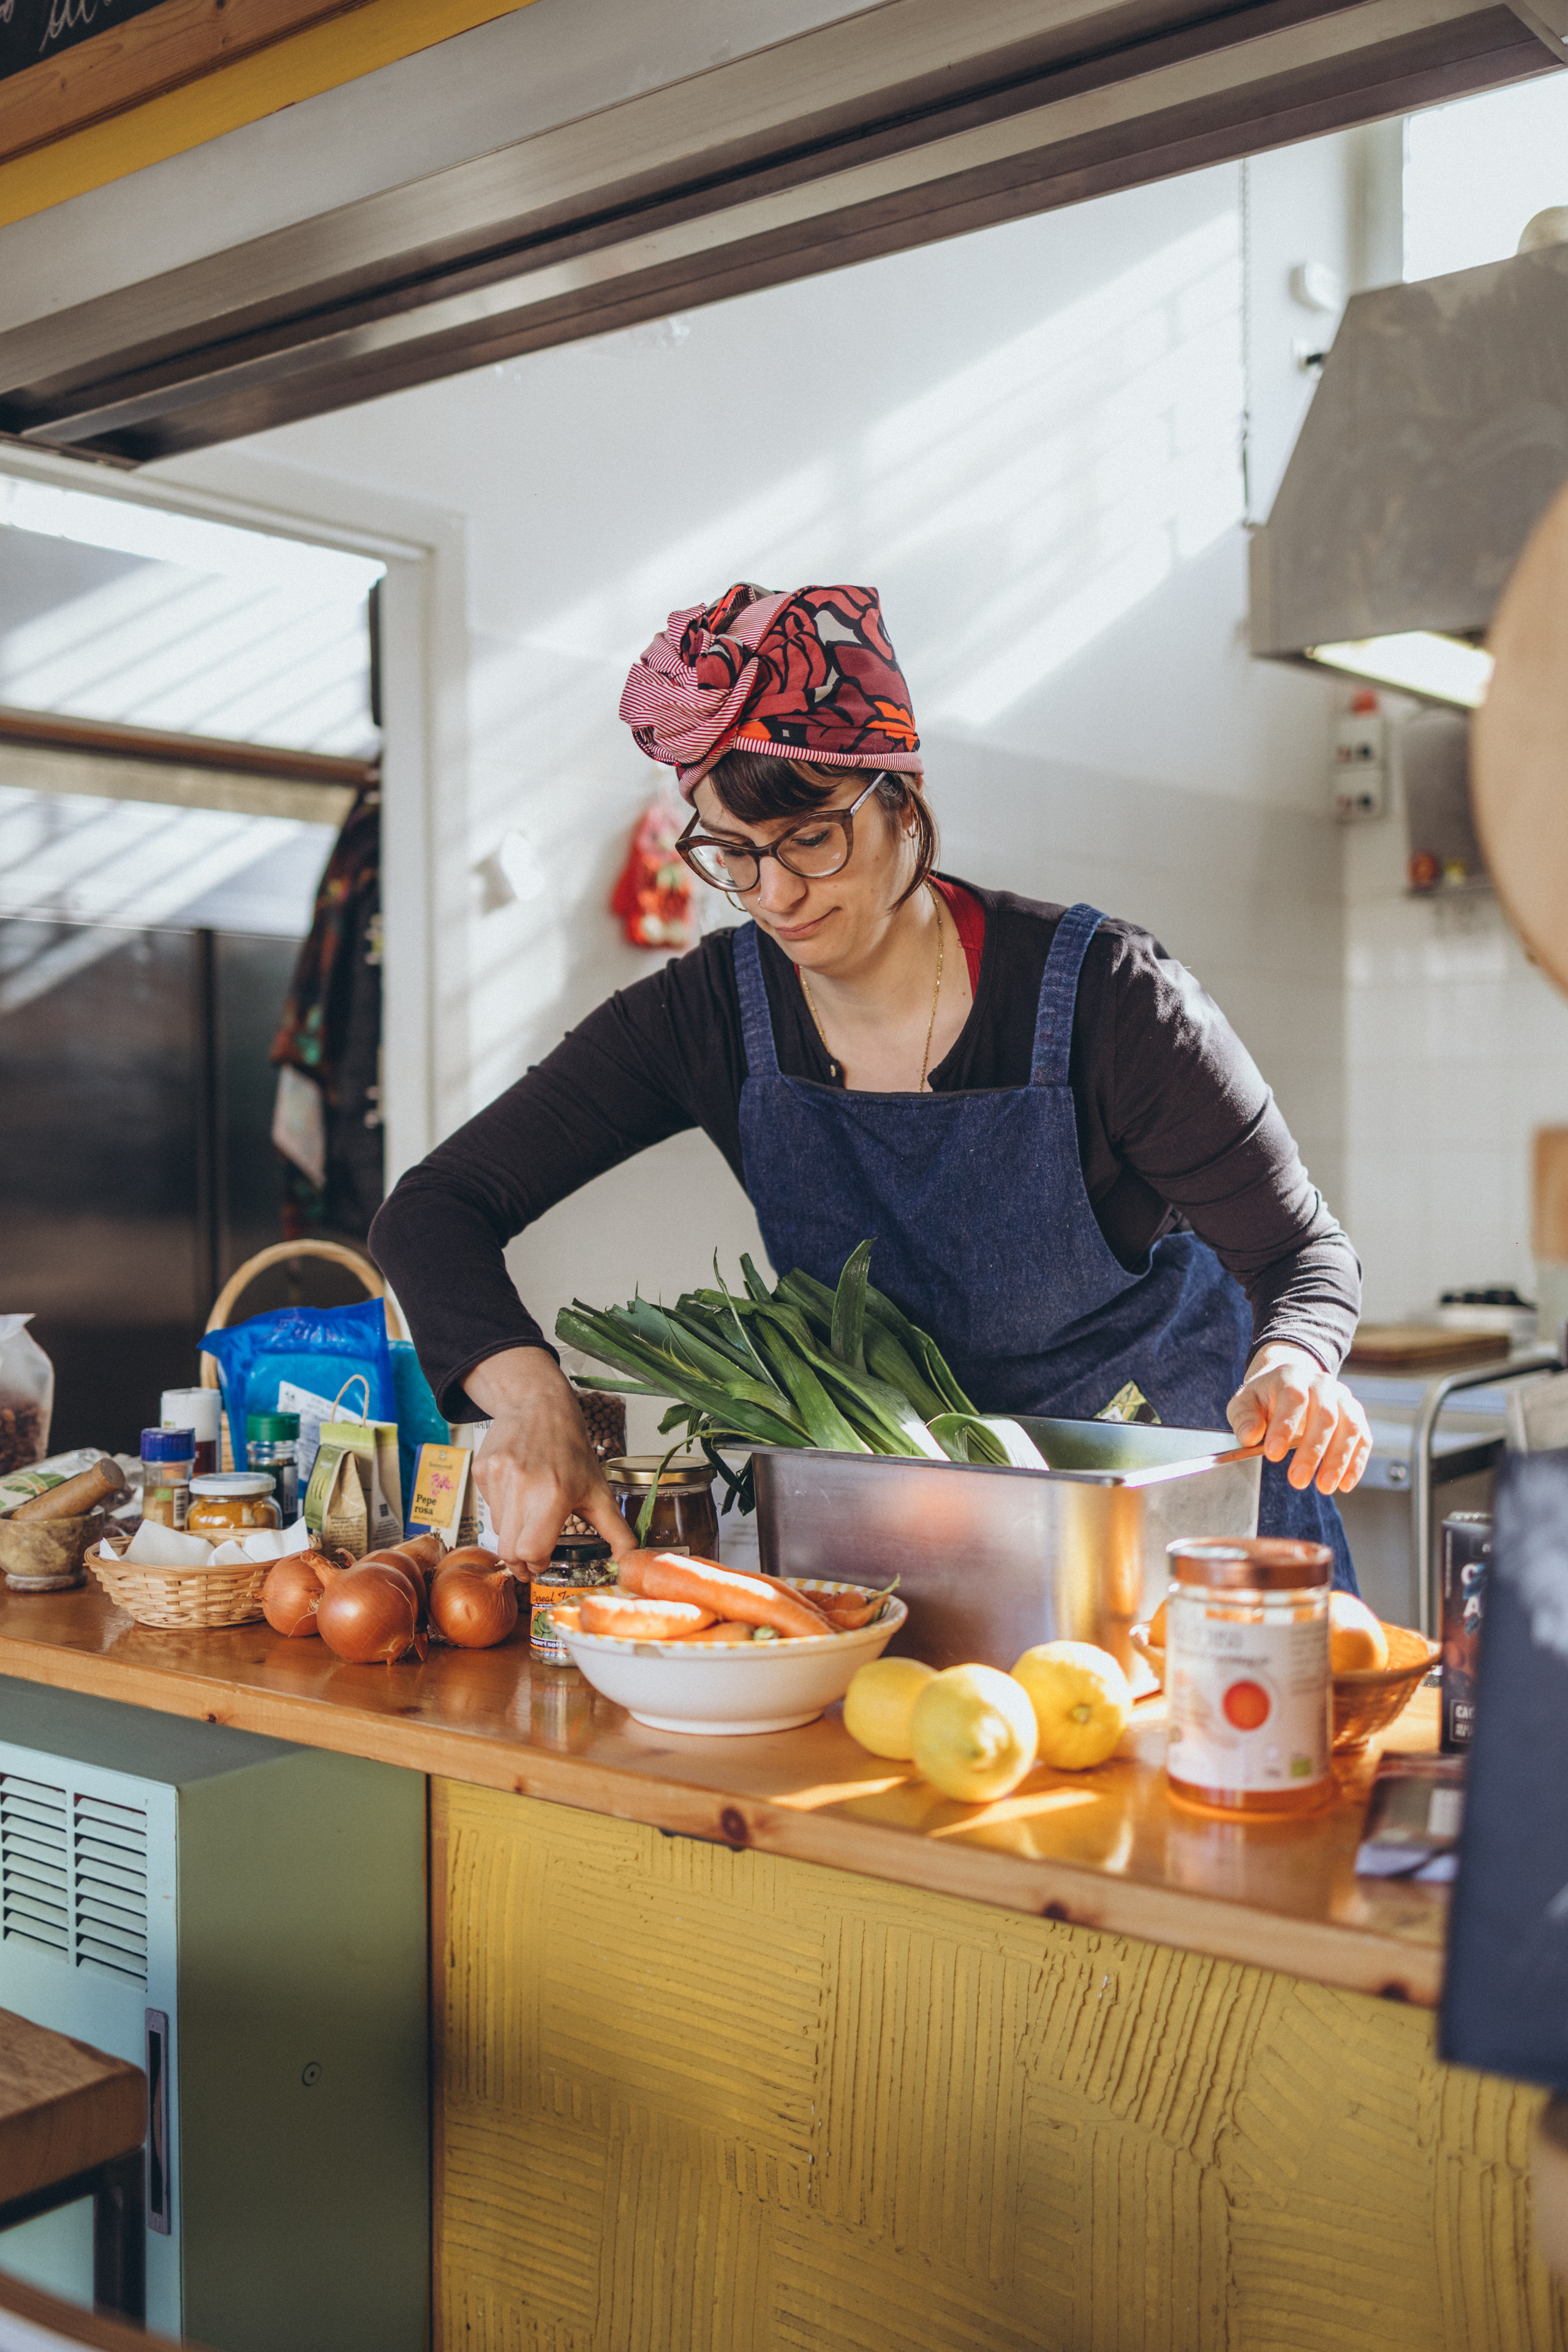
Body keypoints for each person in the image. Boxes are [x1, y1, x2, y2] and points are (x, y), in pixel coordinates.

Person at [371, 581, 1370, 1578]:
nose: (775, 895)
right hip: (931, 1546)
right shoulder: (709, 1013)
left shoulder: (1111, 1000)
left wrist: (1295, 1361)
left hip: (1183, 1532)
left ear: (905, 801)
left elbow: (1303, 1255)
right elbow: (432, 1210)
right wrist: (537, 1400)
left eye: (811, 838)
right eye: (734, 854)